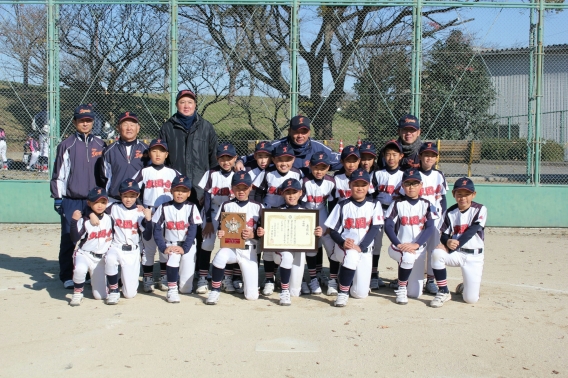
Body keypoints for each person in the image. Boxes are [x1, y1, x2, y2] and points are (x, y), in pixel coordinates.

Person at [50, 104, 106, 289]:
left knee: (93, 236)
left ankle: (90, 273)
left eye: (88, 120)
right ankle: (67, 275)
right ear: (75, 122)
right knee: (69, 237)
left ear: (93, 122)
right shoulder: (67, 145)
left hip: (94, 201)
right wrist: (58, 198)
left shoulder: (101, 144)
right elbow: (59, 174)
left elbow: (105, 174)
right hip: (72, 199)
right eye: (81, 120)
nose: (85, 124)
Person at [258, 178, 323, 305]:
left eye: (294, 192)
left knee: (296, 291)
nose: (291, 195)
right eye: (288, 192)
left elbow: (310, 238)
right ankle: (284, 291)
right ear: (282, 193)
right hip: (281, 252)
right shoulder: (275, 212)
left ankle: (285, 282)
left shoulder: (306, 213)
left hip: (298, 253)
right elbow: (267, 233)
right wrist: (262, 232)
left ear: (300, 193)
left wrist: (317, 234)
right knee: (286, 257)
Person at [325, 169, 383, 307]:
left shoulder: (375, 204)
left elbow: (375, 229)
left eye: (363, 185)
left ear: (369, 186)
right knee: (351, 255)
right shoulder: (342, 204)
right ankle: (343, 293)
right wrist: (342, 242)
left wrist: (361, 247)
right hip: (344, 248)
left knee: (360, 294)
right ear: (350, 185)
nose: (360, 188)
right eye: (356, 184)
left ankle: (346, 278)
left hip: (364, 251)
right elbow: (332, 230)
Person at [398, 142, 448, 294]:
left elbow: (443, 199)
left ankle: (431, 279)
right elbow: (403, 195)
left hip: (435, 219)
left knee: (433, 249)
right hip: (415, 219)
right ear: (419, 156)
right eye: (426, 155)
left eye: (432, 155)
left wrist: (444, 218)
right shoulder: (412, 174)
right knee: (410, 247)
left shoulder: (439, 175)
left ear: (436, 158)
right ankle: (405, 279)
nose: (429, 158)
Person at [205, 173, 263, 305]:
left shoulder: (258, 206)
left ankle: (249, 286)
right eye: (237, 188)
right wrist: (220, 233)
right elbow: (222, 227)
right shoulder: (226, 205)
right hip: (231, 248)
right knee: (219, 257)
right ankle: (215, 290)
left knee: (252, 296)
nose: (241, 191)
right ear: (232, 188)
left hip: (249, 251)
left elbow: (263, 233)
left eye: (244, 188)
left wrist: (254, 235)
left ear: (250, 188)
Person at [429, 178, 487, 308]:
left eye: (467, 194)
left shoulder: (480, 209)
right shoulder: (450, 212)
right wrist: (447, 241)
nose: (462, 198)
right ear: (453, 194)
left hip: (474, 256)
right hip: (457, 254)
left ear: (473, 195)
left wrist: (453, 245)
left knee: (470, 299)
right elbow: (443, 234)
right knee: (437, 253)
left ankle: (464, 286)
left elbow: (471, 231)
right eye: (459, 194)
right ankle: (443, 291)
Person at [132, 139, 180, 293]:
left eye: (161, 151)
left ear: (167, 154)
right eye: (154, 150)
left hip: (168, 213)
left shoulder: (173, 173)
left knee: (165, 246)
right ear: (149, 153)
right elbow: (132, 188)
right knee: (149, 247)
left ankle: (165, 277)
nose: (157, 154)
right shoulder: (144, 172)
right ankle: (148, 277)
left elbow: (183, 191)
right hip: (150, 211)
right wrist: (138, 204)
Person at [158, 89, 218, 206]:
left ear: (195, 105)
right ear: (176, 105)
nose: (186, 106)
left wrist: (208, 189)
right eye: (182, 102)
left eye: (190, 102)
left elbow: (214, 158)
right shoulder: (167, 127)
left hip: (199, 188)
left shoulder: (206, 127)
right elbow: (161, 159)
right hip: (176, 188)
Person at [385, 169, 436, 305]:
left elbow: (430, 227)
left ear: (421, 185)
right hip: (399, 248)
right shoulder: (397, 203)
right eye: (408, 183)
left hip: (418, 249)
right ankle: (401, 288)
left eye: (415, 183)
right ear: (402, 186)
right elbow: (388, 226)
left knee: (415, 293)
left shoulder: (427, 204)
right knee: (407, 257)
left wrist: (417, 244)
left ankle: (403, 282)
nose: (411, 187)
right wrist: (398, 244)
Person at [195, 142, 238, 294]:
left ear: (235, 158)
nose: (226, 162)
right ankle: (202, 276)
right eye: (222, 158)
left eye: (229, 158)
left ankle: (227, 278)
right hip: (212, 212)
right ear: (217, 158)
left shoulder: (238, 174)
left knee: (230, 246)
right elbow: (206, 198)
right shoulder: (211, 173)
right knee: (207, 244)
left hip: (231, 215)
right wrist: (207, 221)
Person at [152, 175, 202, 303]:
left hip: (187, 246)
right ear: (171, 190)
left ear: (189, 193)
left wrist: (184, 248)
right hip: (171, 244)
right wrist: (163, 247)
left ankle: (179, 281)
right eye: (177, 190)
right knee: (172, 260)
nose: (180, 193)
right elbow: (156, 229)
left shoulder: (191, 207)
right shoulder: (164, 207)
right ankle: (172, 289)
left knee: (186, 289)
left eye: (184, 191)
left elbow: (193, 230)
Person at [235, 115, 341, 172]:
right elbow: (256, 156)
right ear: (289, 131)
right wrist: (240, 161)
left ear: (309, 132)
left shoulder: (318, 147)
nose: (300, 136)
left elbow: (340, 159)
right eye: (296, 132)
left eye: (304, 132)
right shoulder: (277, 145)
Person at [104, 178, 152, 305]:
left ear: (138, 195)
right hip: (117, 246)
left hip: (132, 251)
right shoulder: (114, 207)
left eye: (132, 195)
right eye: (125, 195)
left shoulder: (140, 212)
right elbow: (94, 208)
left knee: (129, 294)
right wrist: (91, 214)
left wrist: (148, 220)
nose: (128, 199)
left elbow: (147, 236)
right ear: (120, 195)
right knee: (110, 258)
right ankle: (113, 289)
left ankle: (121, 279)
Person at [325, 145, 361, 296]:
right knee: (335, 248)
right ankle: (333, 279)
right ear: (341, 161)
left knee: (355, 249)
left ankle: (355, 278)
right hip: (340, 219)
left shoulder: (363, 177)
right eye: (348, 161)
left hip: (358, 219)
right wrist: (332, 221)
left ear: (359, 161)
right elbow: (332, 202)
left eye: (354, 160)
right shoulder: (337, 178)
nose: (351, 164)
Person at [68, 187, 113, 306]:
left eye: (103, 202)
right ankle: (77, 293)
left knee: (100, 296)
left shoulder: (109, 217)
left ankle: (101, 286)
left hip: (100, 259)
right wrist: (73, 221)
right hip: (85, 254)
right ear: (89, 203)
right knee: (80, 269)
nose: (100, 205)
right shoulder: (85, 220)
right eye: (96, 202)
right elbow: (74, 238)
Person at [300, 152, 336, 295]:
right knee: (311, 246)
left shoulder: (331, 182)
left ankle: (333, 280)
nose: (319, 171)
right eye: (316, 167)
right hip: (306, 213)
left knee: (329, 244)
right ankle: (313, 279)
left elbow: (333, 205)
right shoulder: (305, 181)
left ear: (328, 168)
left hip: (322, 213)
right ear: (310, 166)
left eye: (323, 167)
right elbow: (300, 204)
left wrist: (331, 226)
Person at [370, 139, 404, 290]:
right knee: (376, 244)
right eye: (388, 154)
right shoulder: (377, 174)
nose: (391, 157)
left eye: (394, 154)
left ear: (401, 156)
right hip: (379, 209)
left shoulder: (404, 175)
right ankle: (373, 275)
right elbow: (371, 194)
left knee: (399, 243)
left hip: (396, 212)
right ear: (383, 156)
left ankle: (401, 277)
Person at [98, 112, 149, 202]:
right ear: (118, 128)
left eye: (132, 125)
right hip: (115, 200)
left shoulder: (146, 150)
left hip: (139, 202)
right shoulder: (109, 151)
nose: (129, 128)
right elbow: (104, 177)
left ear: (138, 128)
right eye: (125, 125)